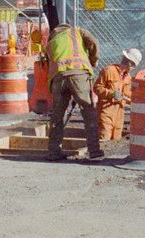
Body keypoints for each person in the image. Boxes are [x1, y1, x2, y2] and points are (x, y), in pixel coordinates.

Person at [43, 23, 104, 162]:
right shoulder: (76, 32)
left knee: (57, 115)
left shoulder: (50, 43)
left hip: (58, 79)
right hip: (78, 73)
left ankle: (53, 152)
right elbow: (94, 41)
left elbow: (48, 65)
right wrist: (93, 60)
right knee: (87, 111)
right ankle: (94, 150)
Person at [94, 48, 141, 140]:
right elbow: (97, 88)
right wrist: (112, 94)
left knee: (116, 140)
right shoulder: (109, 71)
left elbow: (127, 96)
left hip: (119, 115)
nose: (132, 68)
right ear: (130, 63)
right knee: (105, 138)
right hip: (106, 112)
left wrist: (137, 101)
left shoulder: (128, 78)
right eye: (134, 66)